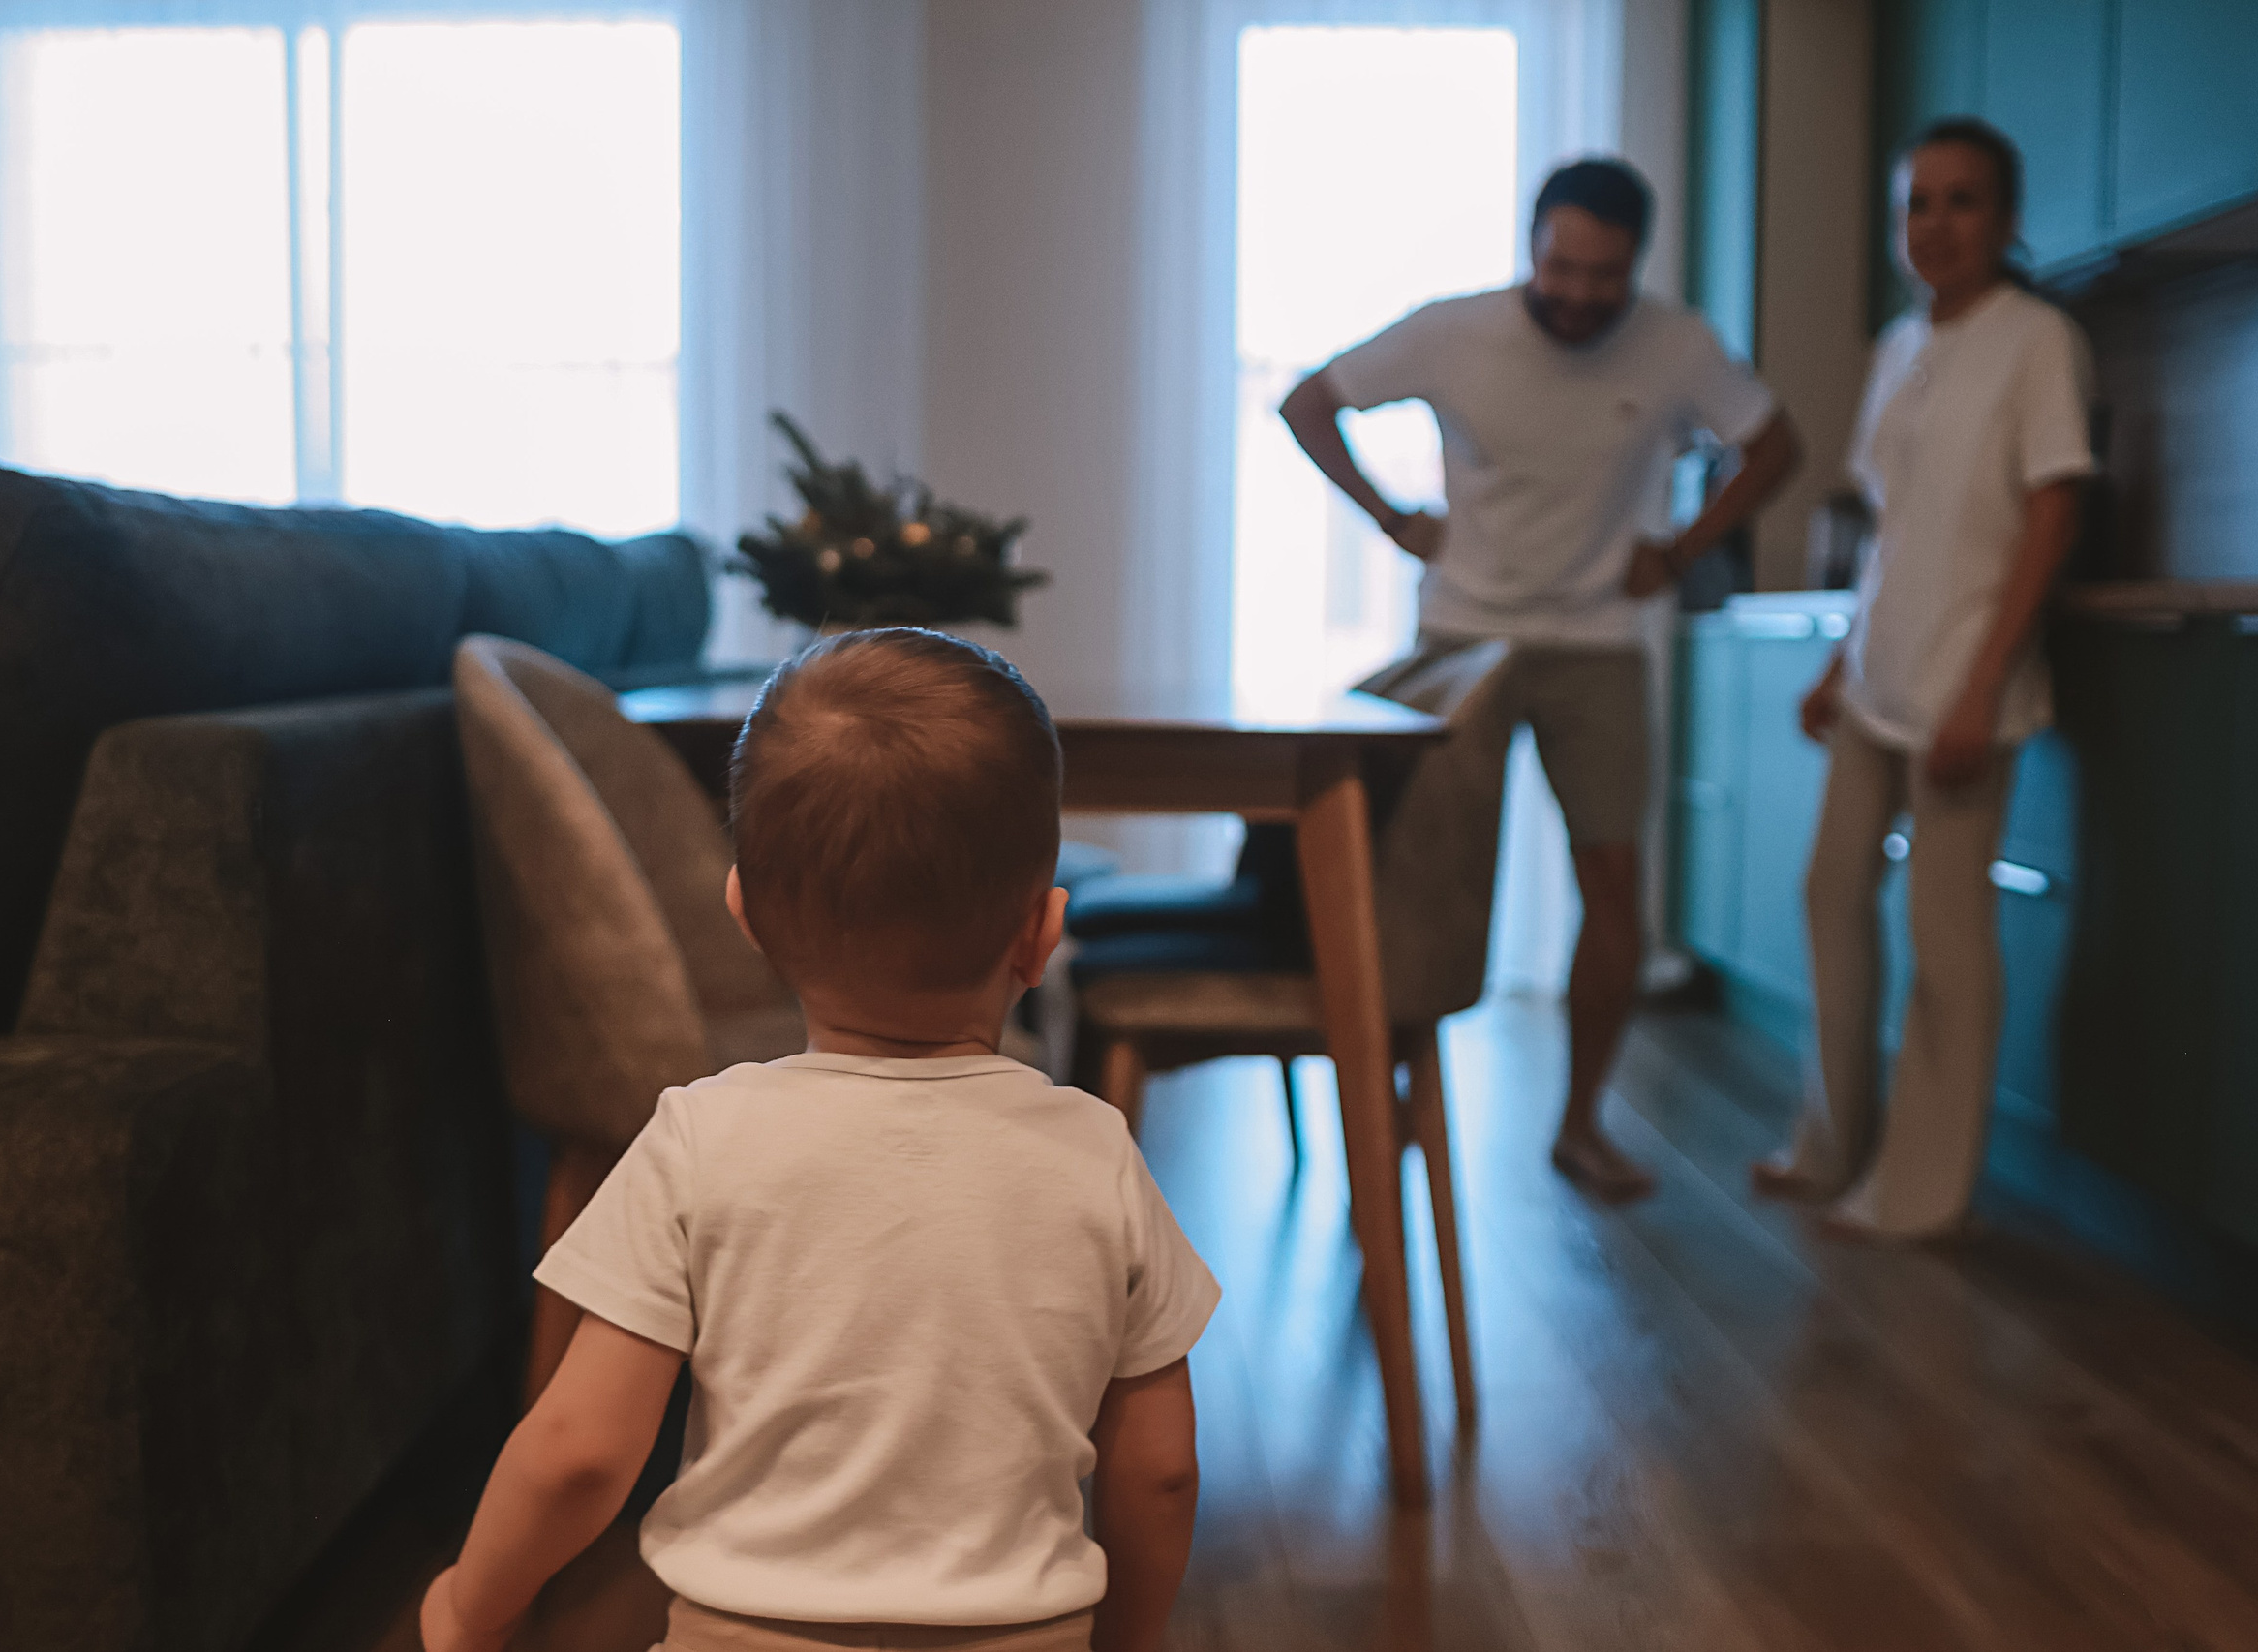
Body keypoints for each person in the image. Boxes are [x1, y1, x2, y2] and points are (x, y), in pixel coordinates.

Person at [420, 628, 1220, 1652]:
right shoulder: (1093, 1151)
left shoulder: (698, 1140)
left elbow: (579, 1447)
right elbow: (1161, 1465)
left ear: (745, 913)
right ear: (1040, 930)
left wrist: (469, 1608)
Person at [1280, 157, 1800, 1201]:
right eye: (1561, 265)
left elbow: (1774, 445)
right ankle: (1392, 1115)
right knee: (1413, 878)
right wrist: (1392, 519)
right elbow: (1308, 404)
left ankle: (1578, 1125)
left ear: (1633, 267)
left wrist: (1685, 545)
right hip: (1464, 636)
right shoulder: (1448, 330)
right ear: (1532, 245)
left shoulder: (1678, 344)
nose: (1576, 291)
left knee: (1612, 884)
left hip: (1600, 642)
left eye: (1602, 275)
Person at [1753, 119, 2093, 1241]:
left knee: (1945, 936)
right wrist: (1836, 660)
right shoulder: (1896, 349)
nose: (1936, 225)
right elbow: (1893, 528)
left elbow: (2053, 508)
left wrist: (1983, 684)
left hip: (1967, 685)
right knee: (1828, 891)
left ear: (2004, 219)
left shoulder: (2039, 340)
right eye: (1919, 203)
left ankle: (1917, 1190)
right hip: (1877, 677)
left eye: (1962, 202)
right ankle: (1829, 1143)